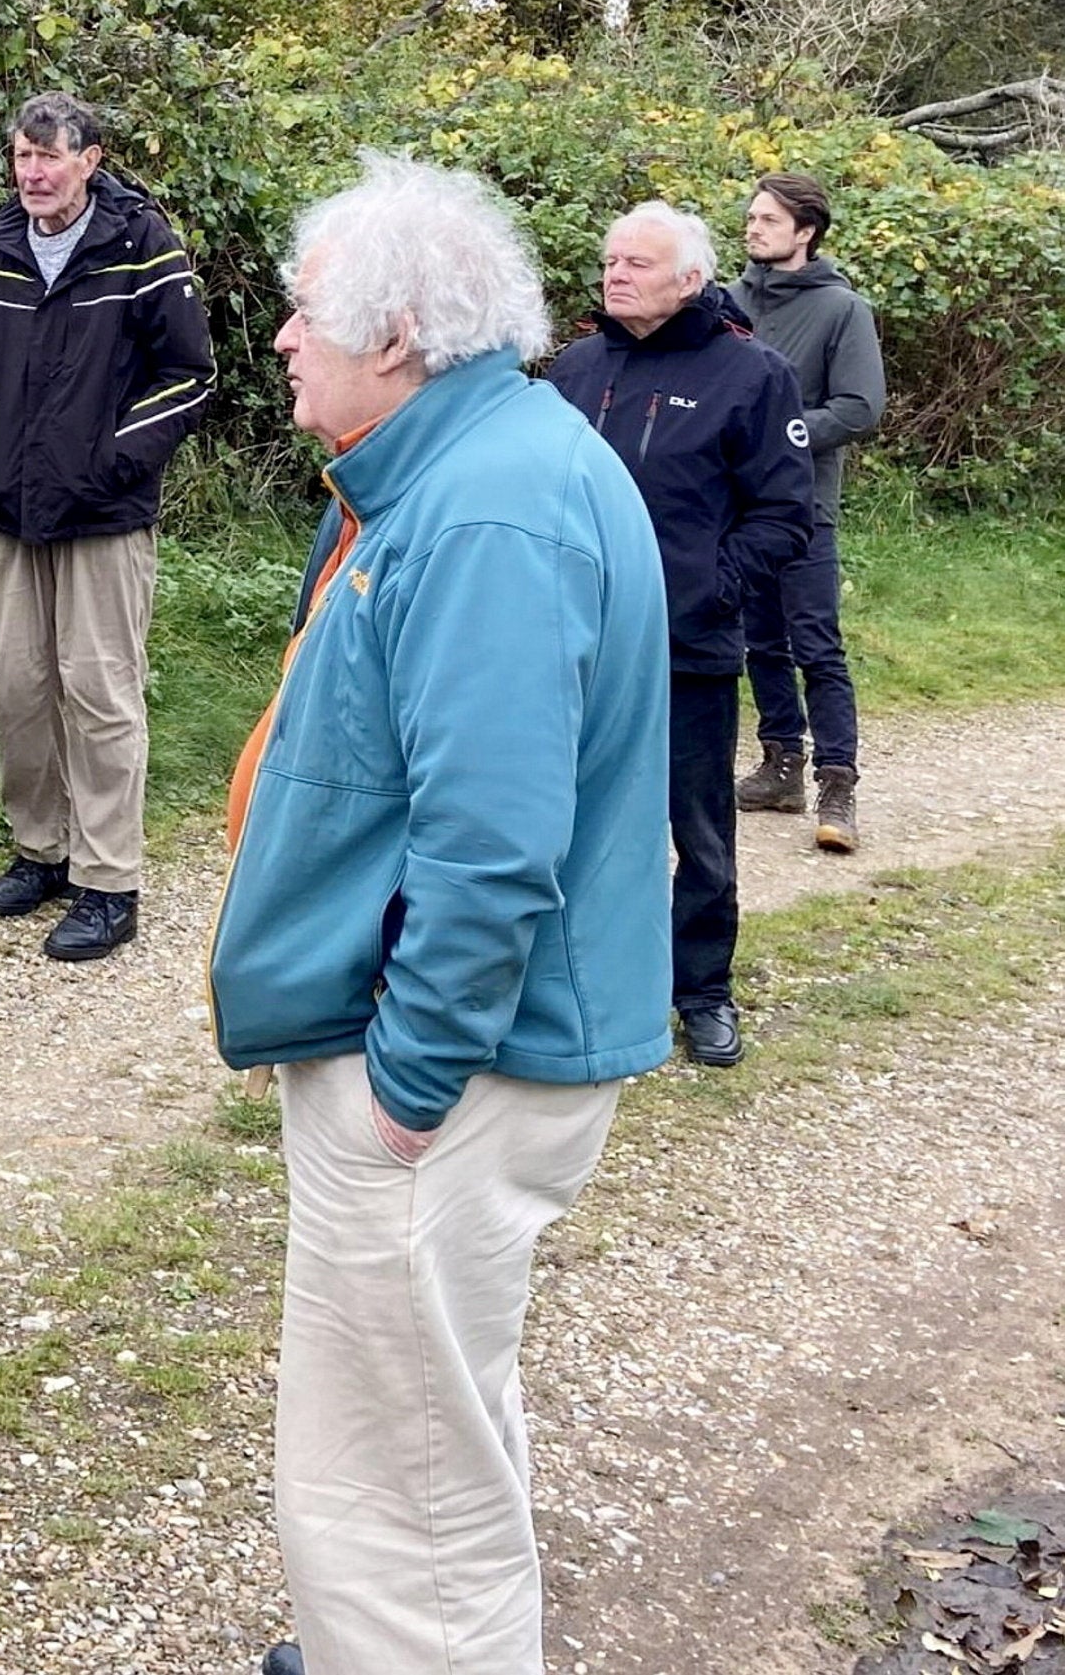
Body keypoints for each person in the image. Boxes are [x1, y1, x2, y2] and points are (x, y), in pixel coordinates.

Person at [211, 154, 672, 1675]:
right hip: (457, 1062)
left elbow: (492, 843)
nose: (280, 338)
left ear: (396, 333)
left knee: (400, 1474)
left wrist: (407, 1085)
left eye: (301, 313)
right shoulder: (468, 468)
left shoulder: (487, 513)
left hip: (453, 1075)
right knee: (425, 1427)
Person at [0, 92, 213, 960]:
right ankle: (42, 850)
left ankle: (108, 879)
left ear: (89, 162)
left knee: (98, 694)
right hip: (11, 509)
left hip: (104, 513)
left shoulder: (141, 246)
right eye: (22, 157)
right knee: (17, 690)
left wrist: (111, 463)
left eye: (48, 158)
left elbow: (189, 373)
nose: (31, 174)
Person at [550, 201, 813, 1071]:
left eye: (637, 263)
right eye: (611, 259)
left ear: (690, 280)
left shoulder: (750, 374)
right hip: (574, 643)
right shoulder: (577, 368)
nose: (615, 273)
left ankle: (702, 991)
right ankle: (574, 985)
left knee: (696, 830)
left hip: (685, 647)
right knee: (571, 819)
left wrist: (709, 589)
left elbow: (785, 515)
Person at [728, 171, 887, 852]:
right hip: (737, 506)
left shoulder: (842, 309)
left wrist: (781, 433)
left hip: (803, 505)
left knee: (815, 643)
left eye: (768, 219)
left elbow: (859, 408)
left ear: (805, 231)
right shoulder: (727, 302)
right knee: (757, 642)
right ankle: (780, 764)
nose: (754, 227)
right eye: (752, 217)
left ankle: (837, 782)